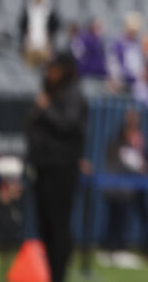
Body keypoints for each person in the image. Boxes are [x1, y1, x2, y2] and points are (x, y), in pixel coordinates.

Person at [25, 52, 88, 282]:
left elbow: (68, 126)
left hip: (61, 170)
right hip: (43, 167)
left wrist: (46, 109)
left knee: (58, 226)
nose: (49, 73)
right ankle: (51, 273)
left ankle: (58, 275)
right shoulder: (51, 93)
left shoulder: (73, 95)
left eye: (54, 69)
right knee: (45, 226)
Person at [100, 107, 148, 266]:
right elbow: (125, 160)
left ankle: (146, 249)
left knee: (142, 217)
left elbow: (143, 159)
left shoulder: (140, 137)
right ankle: (111, 248)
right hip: (119, 187)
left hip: (136, 185)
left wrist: (145, 165)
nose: (134, 120)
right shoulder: (118, 139)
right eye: (130, 117)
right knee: (115, 219)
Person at [18, 0, 60, 68]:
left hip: (44, 44)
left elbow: (55, 25)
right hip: (30, 43)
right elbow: (22, 24)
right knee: (28, 65)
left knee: (45, 65)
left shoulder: (49, 12)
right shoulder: (28, 10)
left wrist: (49, 33)